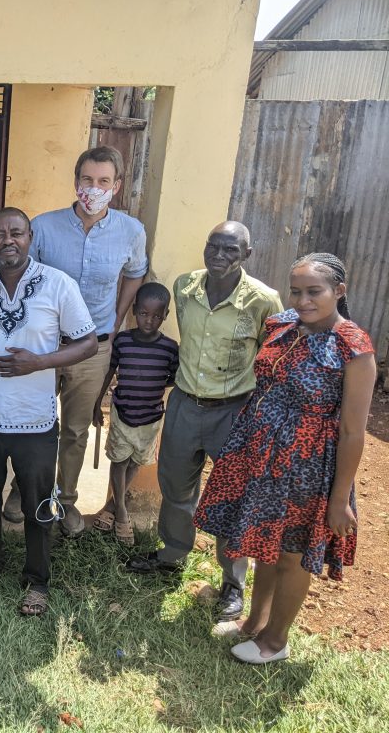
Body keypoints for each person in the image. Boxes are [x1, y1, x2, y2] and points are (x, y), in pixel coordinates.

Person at [194, 253, 375, 664]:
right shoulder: (281, 326)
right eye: (296, 291)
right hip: (259, 455)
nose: (303, 300)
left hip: (306, 466)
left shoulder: (353, 348)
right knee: (265, 545)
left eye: (315, 291)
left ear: (339, 291)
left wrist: (339, 498)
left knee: (292, 554)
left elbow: (351, 431)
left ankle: (276, 641)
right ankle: (254, 624)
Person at [127, 222, 283, 625]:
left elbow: (273, 356)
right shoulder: (184, 288)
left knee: (232, 495)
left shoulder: (263, 300)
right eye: (212, 245)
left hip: (233, 410)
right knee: (175, 485)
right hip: (183, 403)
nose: (219, 255)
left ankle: (232, 583)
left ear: (246, 254)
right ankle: (173, 552)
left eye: (230, 249)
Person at [0, 208, 97, 617]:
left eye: (16, 232)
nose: (8, 240)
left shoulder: (57, 285)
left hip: (34, 419)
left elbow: (87, 343)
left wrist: (41, 362)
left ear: (30, 237)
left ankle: (37, 580)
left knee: (38, 503)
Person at [22, 145, 149, 536]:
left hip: (94, 345)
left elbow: (136, 273)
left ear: (117, 186)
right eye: (87, 180)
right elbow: (26, 276)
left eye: (103, 182)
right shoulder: (44, 226)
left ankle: (66, 498)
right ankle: (23, 490)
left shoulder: (132, 231)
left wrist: (116, 316)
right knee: (32, 422)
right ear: (76, 182)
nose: (94, 189)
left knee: (76, 429)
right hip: (46, 343)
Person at [90, 282, 179, 545]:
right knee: (119, 461)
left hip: (150, 417)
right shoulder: (124, 341)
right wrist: (97, 403)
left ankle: (111, 504)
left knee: (136, 462)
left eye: (156, 316)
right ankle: (122, 513)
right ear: (133, 312)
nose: (149, 320)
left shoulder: (170, 348)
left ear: (166, 315)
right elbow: (109, 371)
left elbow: (173, 379)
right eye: (143, 313)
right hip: (123, 412)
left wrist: (147, 385)